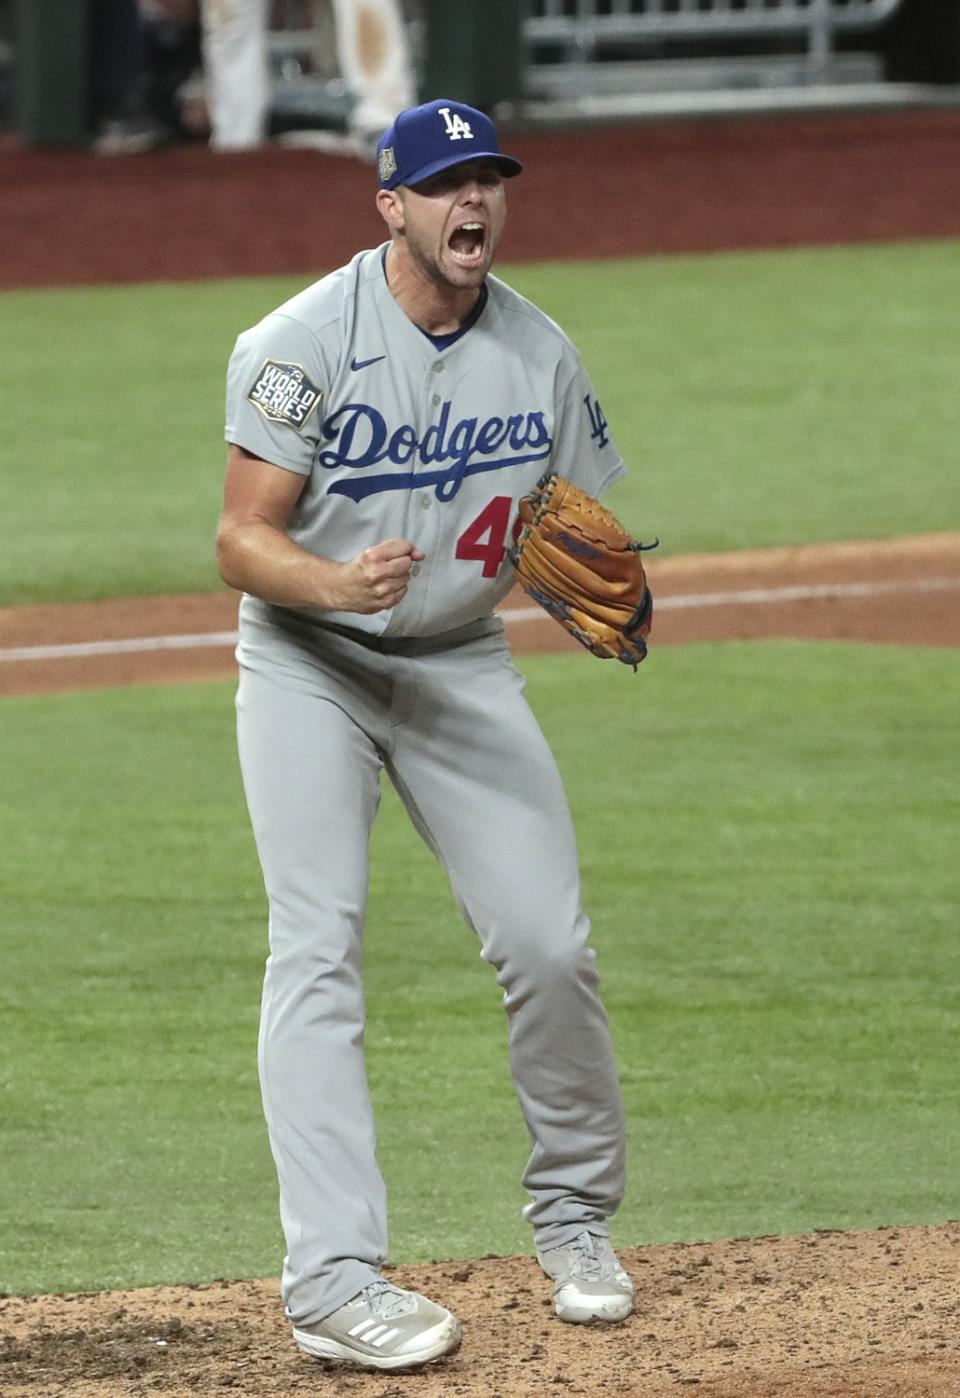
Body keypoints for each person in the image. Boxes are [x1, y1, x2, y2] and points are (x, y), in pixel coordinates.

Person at [216, 97, 635, 1372]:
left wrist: (595, 580)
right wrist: (332, 586)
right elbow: (240, 536)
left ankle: (574, 1220)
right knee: (319, 951)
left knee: (549, 945)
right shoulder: (299, 344)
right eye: (446, 184)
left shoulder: (539, 352)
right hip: (308, 668)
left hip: (459, 667)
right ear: (389, 204)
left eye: (490, 180)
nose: (475, 203)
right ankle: (335, 1281)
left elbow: (581, 526)